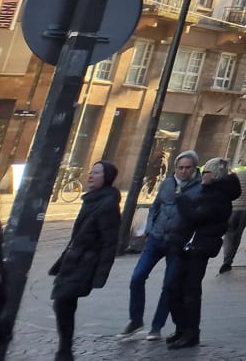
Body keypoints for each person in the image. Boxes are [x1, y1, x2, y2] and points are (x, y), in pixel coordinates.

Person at [162, 156, 238, 350]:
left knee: (190, 291)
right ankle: (182, 327)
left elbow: (196, 216)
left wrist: (182, 199)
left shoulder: (218, 196)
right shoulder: (210, 191)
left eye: (206, 173)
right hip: (189, 244)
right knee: (173, 287)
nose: (202, 176)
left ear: (214, 175)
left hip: (200, 247)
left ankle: (190, 332)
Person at [122, 151, 198, 341]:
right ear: (175, 168)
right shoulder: (167, 183)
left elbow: (198, 216)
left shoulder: (199, 189)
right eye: (180, 168)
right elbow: (156, 206)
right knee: (137, 277)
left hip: (178, 242)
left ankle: (156, 327)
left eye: (188, 168)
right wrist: (149, 229)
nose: (183, 171)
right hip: (156, 237)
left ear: (194, 168)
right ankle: (136, 319)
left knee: (169, 286)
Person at [50, 160, 120, 361]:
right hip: (73, 259)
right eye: (90, 171)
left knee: (63, 300)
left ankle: (65, 350)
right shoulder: (92, 199)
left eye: (96, 173)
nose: (90, 175)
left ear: (106, 177)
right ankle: (65, 348)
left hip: (86, 262)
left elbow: (110, 242)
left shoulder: (107, 204)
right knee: (63, 302)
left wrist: (100, 276)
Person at [218, 154, 246, 272]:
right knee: (237, 235)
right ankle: (229, 260)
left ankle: (226, 257)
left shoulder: (239, 174)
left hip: (232, 207)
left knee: (228, 233)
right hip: (245, 210)